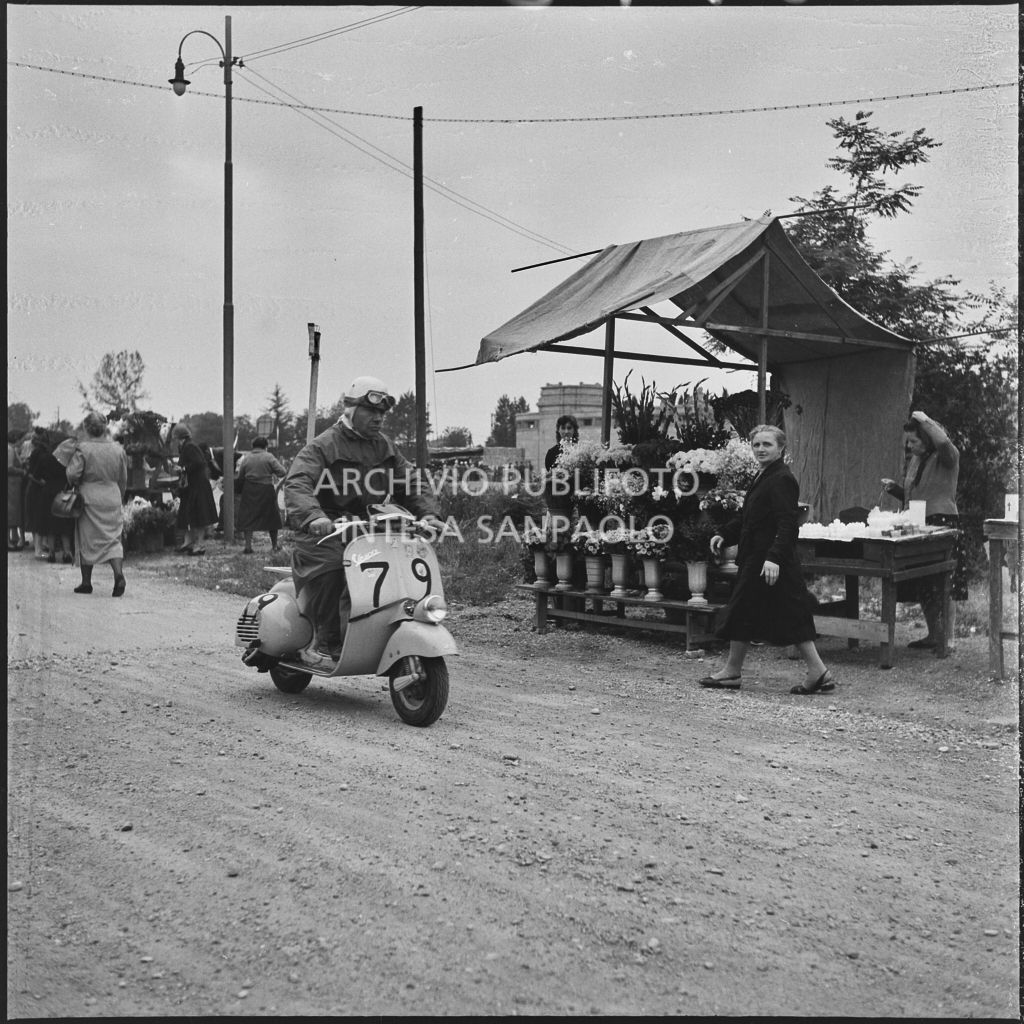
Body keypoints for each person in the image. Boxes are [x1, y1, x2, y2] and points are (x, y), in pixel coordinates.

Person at [283, 375, 441, 669]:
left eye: (382, 413)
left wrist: (428, 514)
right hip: (326, 531)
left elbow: (412, 482)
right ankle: (323, 642)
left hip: (369, 530)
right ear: (351, 410)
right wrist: (313, 516)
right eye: (371, 411)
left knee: (401, 564)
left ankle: (383, 632)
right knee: (333, 568)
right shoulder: (323, 446)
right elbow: (298, 482)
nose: (379, 418)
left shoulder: (384, 447)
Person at [700, 425, 834, 695]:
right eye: (756, 444)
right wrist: (724, 535)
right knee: (761, 611)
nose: (760, 449)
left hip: (770, 561)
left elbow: (787, 523)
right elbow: (752, 518)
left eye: (767, 445)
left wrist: (773, 558)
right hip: (758, 558)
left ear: (781, 448)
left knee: (759, 610)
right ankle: (817, 672)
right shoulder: (766, 475)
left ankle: (735, 672)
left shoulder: (782, 478)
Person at [881, 410, 965, 649]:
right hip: (919, 525)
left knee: (945, 581)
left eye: (914, 441)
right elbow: (916, 496)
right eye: (907, 442)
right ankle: (934, 635)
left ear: (927, 438)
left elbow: (944, 441)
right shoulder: (917, 460)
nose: (909, 447)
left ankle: (946, 640)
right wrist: (896, 489)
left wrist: (925, 420)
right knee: (925, 582)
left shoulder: (945, 457)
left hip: (943, 523)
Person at [65, 412, 128, 596]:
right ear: (104, 427)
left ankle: (86, 582)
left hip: (89, 499)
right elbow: (123, 478)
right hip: (112, 496)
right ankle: (118, 575)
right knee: (113, 539)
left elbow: (72, 475)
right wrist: (119, 496)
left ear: (87, 428)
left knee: (87, 539)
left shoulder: (83, 449)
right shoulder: (118, 450)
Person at [26, 428, 75, 563]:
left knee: (49, 524)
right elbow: (71, 477)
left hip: (47, 492)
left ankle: (52, 553)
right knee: (64, 524)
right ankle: (67, 552)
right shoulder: (68, 462)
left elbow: (35, 476)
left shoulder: (45, 458)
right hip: (63, 492)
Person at [172, 423, 219, 555]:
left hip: (197, 486)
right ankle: (189, 542)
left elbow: (199, 462)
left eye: (176, 439)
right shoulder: (188, 446)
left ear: (179, 437)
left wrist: (183, 468)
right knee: (190, 515)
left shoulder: (189, 447)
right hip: (194, 486)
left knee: (199, 516)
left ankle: (200, 545)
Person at [235, 436, 287, 554]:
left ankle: (248, 546)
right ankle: (274, 545)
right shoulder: (268, 457)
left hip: (249, 490)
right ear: (265, 446)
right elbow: (282, 472)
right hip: (266, 489)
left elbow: (241, 476)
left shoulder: (246, 458)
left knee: (248, 517)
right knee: (271, 517)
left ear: (253, 446)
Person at [544, 414, 579, 519]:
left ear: (574, 430)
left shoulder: (579, 451)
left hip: (576, 499)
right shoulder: (551, 452)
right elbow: (550, 476)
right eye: (563, 428)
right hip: (558, 501)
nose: (566, 431)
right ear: (558, 430)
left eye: (569, 428)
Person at [7, 431, 27, 551]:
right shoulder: (10, 450)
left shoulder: (10, 449)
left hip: (13, 483)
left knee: (13, 511)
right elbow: (9, 468)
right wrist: (22, 471)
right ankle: (8, 541)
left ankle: (14, 537)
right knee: (11, 511)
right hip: (12, 483)